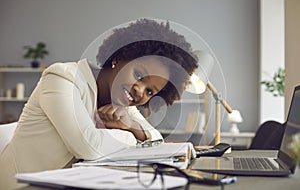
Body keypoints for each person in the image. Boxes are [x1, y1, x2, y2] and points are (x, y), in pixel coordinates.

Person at [0, 18, 198, 189]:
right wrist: (130, 135)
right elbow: (87, 145)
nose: (139, 91)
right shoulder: (62, 77)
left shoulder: (123, 101)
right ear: (118, 59)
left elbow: (156, 139)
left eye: (149, 91)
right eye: (138, 75)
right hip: (19, 185)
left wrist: (130, 125)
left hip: (64, 183)